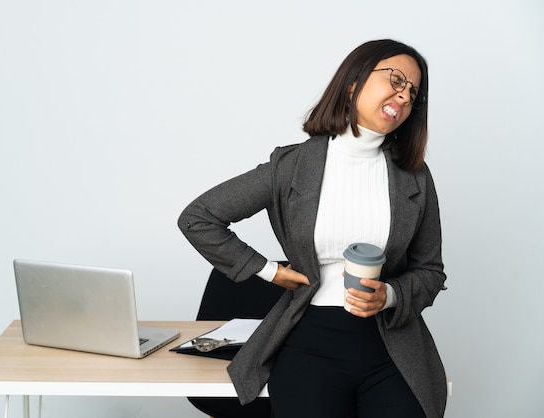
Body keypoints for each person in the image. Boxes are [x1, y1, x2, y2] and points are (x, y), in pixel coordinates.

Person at [178, 39, 447, 418]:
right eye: (396, 80)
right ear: (353, 82)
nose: (403, 96)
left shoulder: (414, 177)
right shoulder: (291, 166)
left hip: (390, 347)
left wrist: (389, 295)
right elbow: (198, 217)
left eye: (413, 92)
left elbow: (430, 271)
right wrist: (268, 271)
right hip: (309, 343)